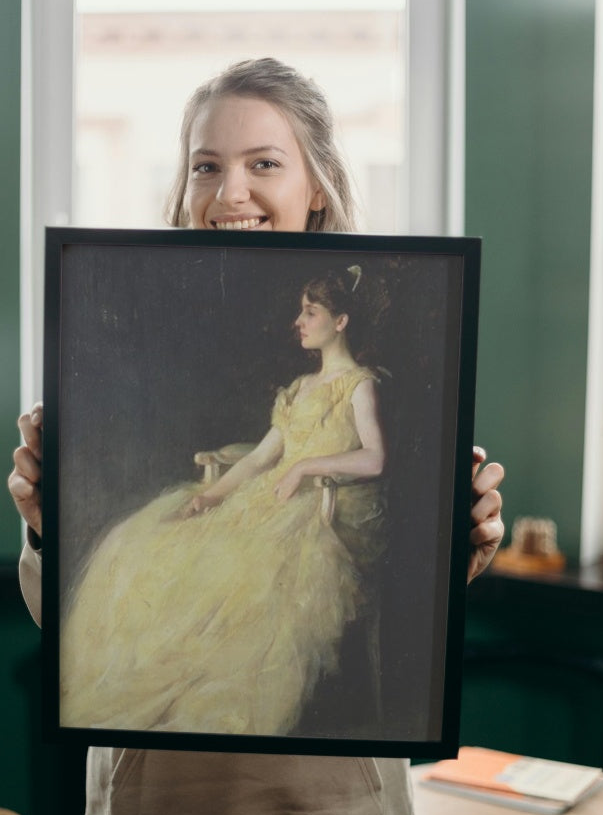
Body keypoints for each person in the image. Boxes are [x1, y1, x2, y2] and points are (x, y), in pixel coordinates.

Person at [9, 58, 505, 815]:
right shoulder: (104, 311)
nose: (228, 190)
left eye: (263, 163)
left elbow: (397, 558)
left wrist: (461, 543)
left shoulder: (385, 362)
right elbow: (65, 628)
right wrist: (49, 526)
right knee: (150, 559)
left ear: (316, 184)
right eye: (205, 164)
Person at [59, 265, 390, 739]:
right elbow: (259, 459)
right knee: (151, 545)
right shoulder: (299, 389)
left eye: (310, 312)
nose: (299, 321)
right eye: (300, 310)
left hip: (328, 512)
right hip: (274, 500)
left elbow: (376, 458)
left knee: (243, 573)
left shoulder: (359, 384)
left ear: (340, 322)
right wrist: (210, 497)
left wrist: (304, 467)